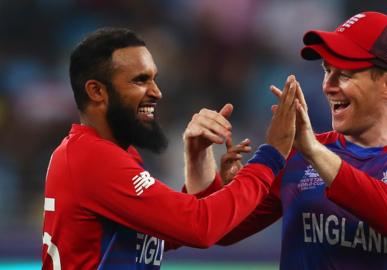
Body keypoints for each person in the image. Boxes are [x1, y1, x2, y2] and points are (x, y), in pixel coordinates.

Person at [187, 11, 387, 269]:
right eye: (326, 70)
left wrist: (313, 151)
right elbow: (219, 230)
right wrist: (201, 159)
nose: (328, 86)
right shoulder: (298, 156)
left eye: (344, 74)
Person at [41, 27, 299, 269]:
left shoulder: (107, 154)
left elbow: (168, 232)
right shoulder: (94, 158)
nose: (156, 92)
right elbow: (199, 227)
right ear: (97, 91)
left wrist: (197, 157)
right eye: (140, 80)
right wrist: (271, 155)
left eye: (154, 79)